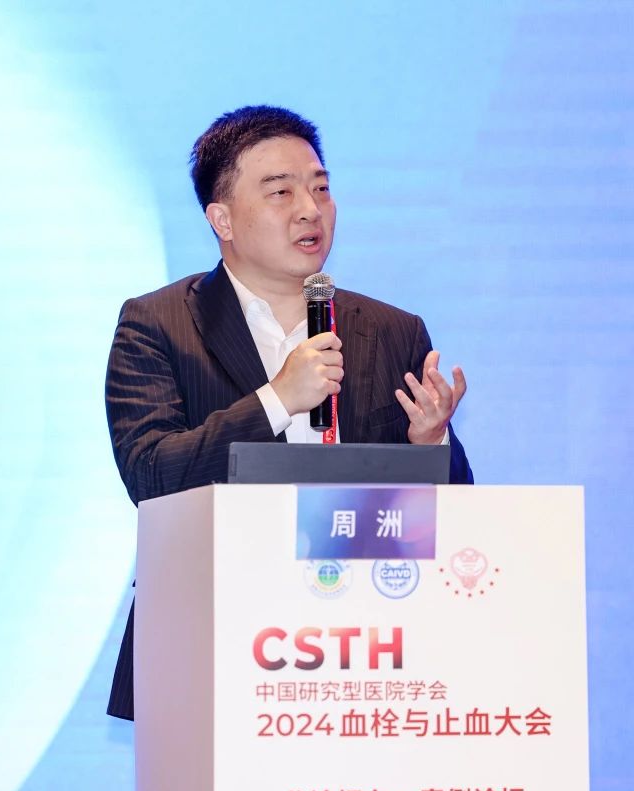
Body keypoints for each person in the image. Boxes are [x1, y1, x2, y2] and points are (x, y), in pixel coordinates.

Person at [103, 105, 474, 720]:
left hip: (367, 653)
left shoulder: (393, 331)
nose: (310, 209)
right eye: (281, 192)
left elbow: (452, 516)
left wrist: (431, 444)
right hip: (212, 644)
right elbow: (151, 476)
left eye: (320, 189)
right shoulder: (158, 326)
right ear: (222, 219)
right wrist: (276, 400)